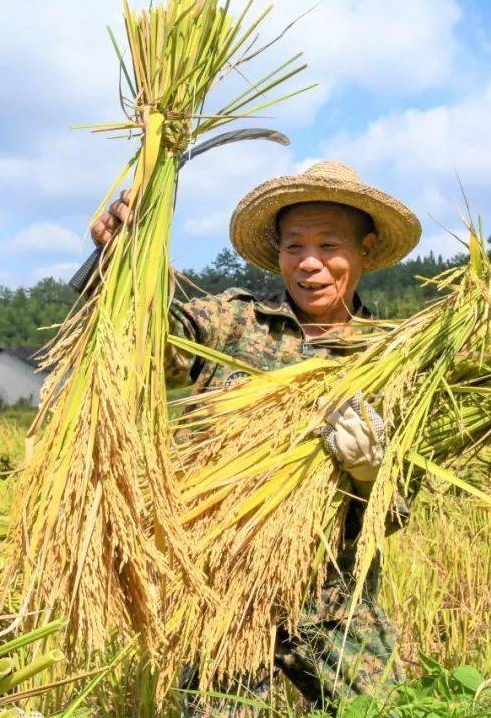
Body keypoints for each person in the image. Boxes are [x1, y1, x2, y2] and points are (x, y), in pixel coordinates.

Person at [89, 161, 422, 716]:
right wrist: (122, 267)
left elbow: (397, 512)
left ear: (364, 250)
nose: (310, 263)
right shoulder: (235, 322)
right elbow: (151, 346)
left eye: (328, 245)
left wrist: (372, 472)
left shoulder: (394, 361)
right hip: (225, 594)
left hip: (333, 597)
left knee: (393, 711)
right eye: (295, 246)